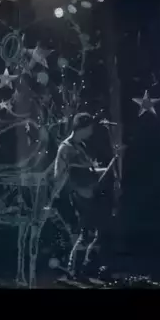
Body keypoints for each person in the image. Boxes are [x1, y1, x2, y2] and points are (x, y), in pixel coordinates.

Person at [52, 112, 110, 280]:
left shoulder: (80, 146)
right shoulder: (67, 148)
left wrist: (105, 169)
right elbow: (68, 174)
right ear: (82, 128)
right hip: (75, 195)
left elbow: (87, 170)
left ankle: (82, 267)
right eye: (89, 128)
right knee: (84, 233)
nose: (91, 132)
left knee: (90, 232)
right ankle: (75, 269)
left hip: (86, 193)